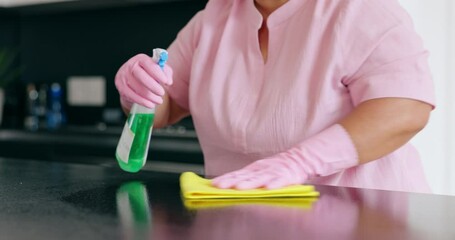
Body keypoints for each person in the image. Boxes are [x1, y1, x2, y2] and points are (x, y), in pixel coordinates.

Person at [115, 0, 435, 193]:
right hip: (242, 224)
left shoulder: (357, 9)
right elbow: (163, 111)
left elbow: (406, 107)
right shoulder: (212, 20)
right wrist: (138, 93)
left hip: (365, 223)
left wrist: (301, 161)